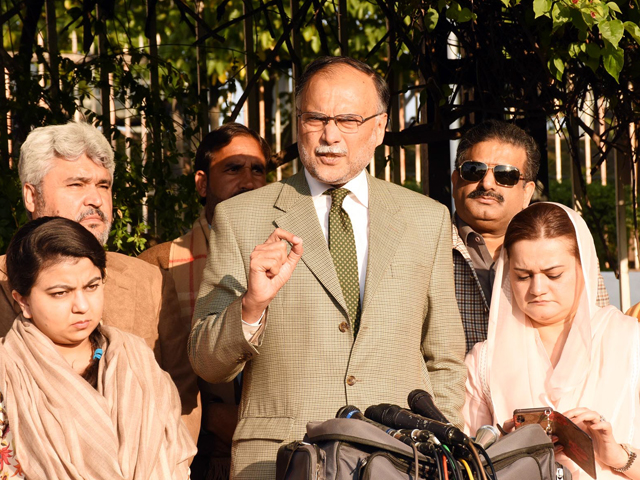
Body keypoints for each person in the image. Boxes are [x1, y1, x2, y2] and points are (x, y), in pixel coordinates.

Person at [189, 56, 466, 479]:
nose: (329, 136)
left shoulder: (425, 219)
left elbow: (445, 358)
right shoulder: (242, 217)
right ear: (298, 121)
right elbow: (207, 363)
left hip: (400, 462)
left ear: (379, 127)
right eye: (315, 118)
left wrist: (437, 449)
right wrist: (250, 308)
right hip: (280, 461)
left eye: (348, 120)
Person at [0, 121, 200, 441]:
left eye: (103, 185)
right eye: (77, 184)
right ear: (30, 194)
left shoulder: (149, 282)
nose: (95, 198)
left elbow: (183, 397)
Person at [0, 216, 196, 479]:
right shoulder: (7, 374)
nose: (81, 305)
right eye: (60, 293)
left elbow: (175, 457)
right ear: (22, 301)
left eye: (92, 286)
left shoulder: (136, 359)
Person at [463, 202, 640, 479]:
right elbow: (465, 463)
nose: (537, 289)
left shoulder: (630, 341)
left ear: (585, 267)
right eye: (523, 276)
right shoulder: (484, 361)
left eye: (553, 274)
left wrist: (617, 454)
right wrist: (503, 449)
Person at [139, 122, 269, 479]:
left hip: (278, 452)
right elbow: (139, 372)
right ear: (201, 183)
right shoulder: (159, 265)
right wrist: (211, 415)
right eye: (233, 169)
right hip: (191, 453)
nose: (248, 181)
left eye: (258, 169)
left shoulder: (291, 259)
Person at [451, 120, 609, 353]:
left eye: (506, 175)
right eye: (474, 170)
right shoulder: (423, 246)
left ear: (527, 192)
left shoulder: (567, 248)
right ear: (456, 180)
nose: (486, 183)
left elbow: (599, 333)